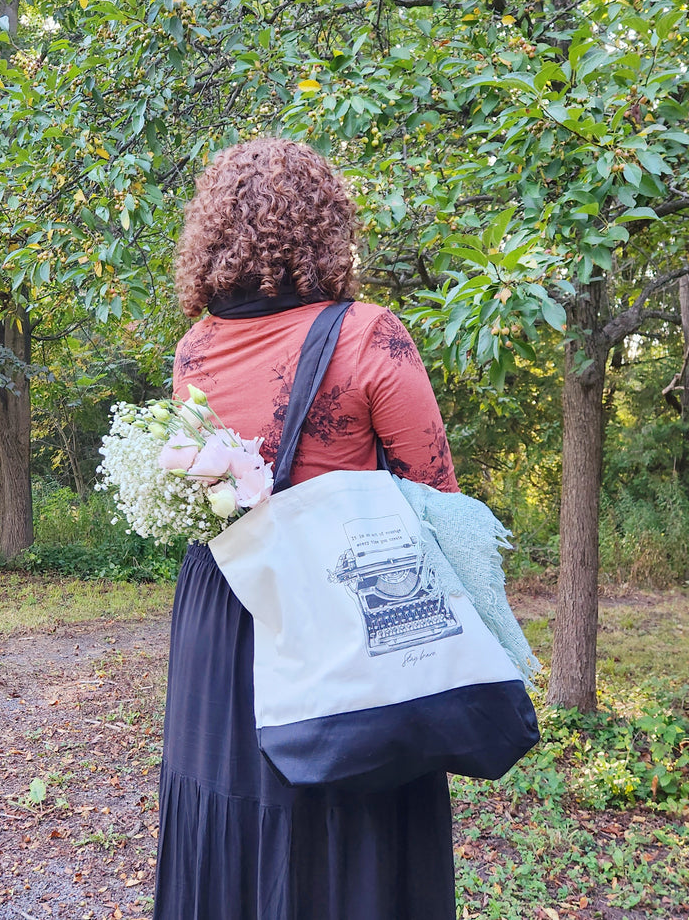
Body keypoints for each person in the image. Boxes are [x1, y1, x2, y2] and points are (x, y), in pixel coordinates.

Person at [155, 137, 460, 920]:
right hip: (342, 602)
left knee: (230, 792)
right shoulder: (368, 333)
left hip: (225, 609)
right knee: (346, 798)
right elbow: (436, 493)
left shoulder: (196, 348)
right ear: (326, 229)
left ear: (214, 233)